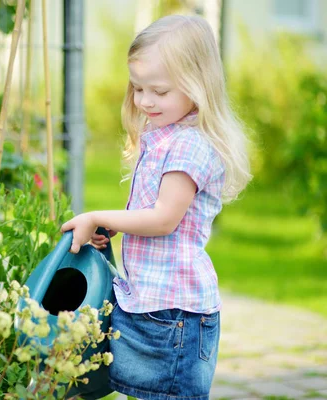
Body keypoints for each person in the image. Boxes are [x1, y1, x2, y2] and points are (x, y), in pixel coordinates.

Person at [60, 15, 251, 400]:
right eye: (138, 88)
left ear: (198, 86)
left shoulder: (189, 145)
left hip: (174, 316)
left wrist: (99, 216)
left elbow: (164, 218)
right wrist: (119, 226)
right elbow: (154, 211)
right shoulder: (164, 136)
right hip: (154, 305)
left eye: (159, 91)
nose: (145, 100)